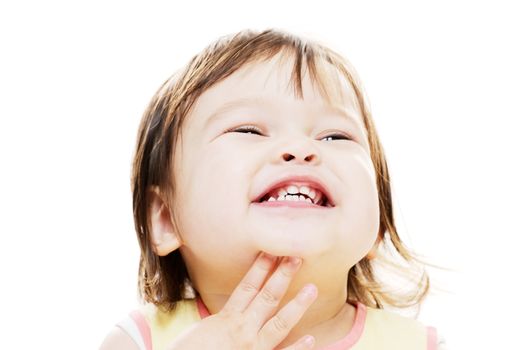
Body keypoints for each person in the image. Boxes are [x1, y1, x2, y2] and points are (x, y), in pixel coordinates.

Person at [100, 28, 447, 350]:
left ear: (379, 226)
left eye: (335, 136)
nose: (300, 148)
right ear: (165, 218)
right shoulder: (139, 340)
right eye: (249, 130)